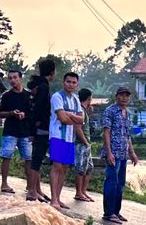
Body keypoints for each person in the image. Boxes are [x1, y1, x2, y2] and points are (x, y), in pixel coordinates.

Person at [100, 86, 139, 224]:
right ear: (116, 96)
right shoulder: (110, 111)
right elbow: (106, 132)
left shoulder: (127, 113)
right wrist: (109, 153)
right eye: (122, 95)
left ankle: (116, 211)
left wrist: (132, 153)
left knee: (120, 184)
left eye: (127, 95)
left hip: (123, 154)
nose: (124, 98)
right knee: (111, 182)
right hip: (113, 153)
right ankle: (108, 212)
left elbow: (128, 135)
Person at [48, 72, 84, 210]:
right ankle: (53, 199)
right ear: (64, 82)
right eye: (68, 82)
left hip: (70, 137)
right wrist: (72, 116)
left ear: (77, 84)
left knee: (64, 168)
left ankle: (58, 197)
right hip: (57, 135)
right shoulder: (57, 97)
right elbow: (62, 118)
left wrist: (68, 114)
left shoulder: (75, 99)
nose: (71, 84)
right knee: (57, 166)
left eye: (74, 82)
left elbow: (82, 120)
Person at [0, 68, 35, 196]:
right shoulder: (7, 95)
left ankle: (30, 186)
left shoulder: (29, 95)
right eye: (10, 78)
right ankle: (4, 183)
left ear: (20, 78)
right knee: (6, 156)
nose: (12, 80)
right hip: (10, 131)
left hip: (25, 131)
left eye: (15, 77)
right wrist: (11, 113)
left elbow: (33, 113)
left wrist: (25, 115)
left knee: (29, 158)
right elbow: (0, 113)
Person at [26, 57, 55, 204]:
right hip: (41, 127)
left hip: (37, 126)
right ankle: (31, 190)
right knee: (37, 158)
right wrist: (34, 127)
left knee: (38, 158)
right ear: (52, 73)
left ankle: (37, 189)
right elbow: (38, 107)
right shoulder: (44, 87)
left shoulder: (36, 85)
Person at [73, 88, 97, 204]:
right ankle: (78, 192)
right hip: (81, 143)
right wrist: (85, 142)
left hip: (86, 143)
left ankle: (83, 191)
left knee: (89, 168)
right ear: (89, 98)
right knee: (81, 168)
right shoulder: (81, 111)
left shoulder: (84, 110)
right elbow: (77, 128)